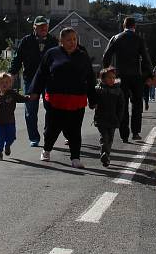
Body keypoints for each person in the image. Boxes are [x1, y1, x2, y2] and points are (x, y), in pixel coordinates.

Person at [29, 27, 97, 168]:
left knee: (74, 130)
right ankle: (46, 150)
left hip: (76, 100)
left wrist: (93, 99)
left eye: (74, 39)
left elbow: (90, 78)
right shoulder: (52, 54)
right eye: (68, 40)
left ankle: (75, 158)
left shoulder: (83, 55)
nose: (72, 42)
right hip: (56, 100)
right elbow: (41, 73)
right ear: (61, 41)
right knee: (52, 128)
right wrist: (34, 91)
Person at [102, 17, 153, 143]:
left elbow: (106, 55)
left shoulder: (116, 38)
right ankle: (135, 132)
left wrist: (107, 72)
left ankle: (124, 134)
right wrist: (149, 75)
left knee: (122, 105)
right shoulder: (139, 39)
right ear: (134, 26)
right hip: (136, 75)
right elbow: (146, 58)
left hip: (121, 75)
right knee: (137, 104)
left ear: (123, 26)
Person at [10, 16, 59, 147]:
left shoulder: (53, 41)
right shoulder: (26, 41)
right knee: (30, 110)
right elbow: (17, 58)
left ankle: (48, 134)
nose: (43, 28)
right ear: (34, 27)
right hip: (31, 80)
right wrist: (12, 73)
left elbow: (59, 59)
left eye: (45, 26)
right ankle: (34, 137)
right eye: (40, 26)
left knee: (52, 108)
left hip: (49, 80)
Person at [0, 72, 32, 161]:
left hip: (10, 121)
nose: (4, 84)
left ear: (10, 84)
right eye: (2, 83)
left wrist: (28, 98)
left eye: (6, 82)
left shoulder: (12, 94)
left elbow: (21, 98)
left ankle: (8, 145)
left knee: (11, 136)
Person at [93, 67, 125, 167]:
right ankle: (104, 154)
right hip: (101, 118)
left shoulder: (118, 91)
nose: (112, 79)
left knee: (110, 138)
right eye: (109, 78)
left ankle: (106, 156)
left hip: (113, 119)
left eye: (113, 78)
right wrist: (92, 104)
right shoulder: (98, 89)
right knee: (104, 137)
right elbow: (93, 101)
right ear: (103, 79)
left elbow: (121, 106)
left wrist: (119, 118)